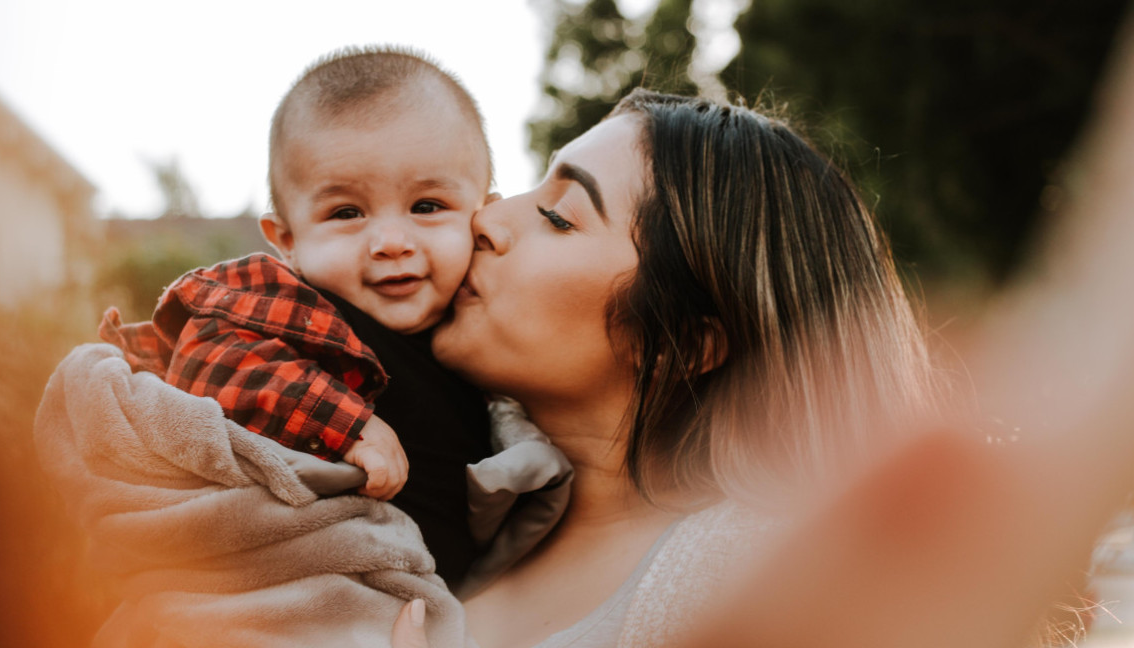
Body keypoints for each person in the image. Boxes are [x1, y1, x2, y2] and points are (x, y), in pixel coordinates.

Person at [388, 86, 937, 647]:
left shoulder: (758, 584)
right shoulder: (438, 503)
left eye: (558, 216)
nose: (488, 216)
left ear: (680, 344)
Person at [96, 45, 497, 591]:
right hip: (292, 594)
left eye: (427, 206)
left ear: (485, 214)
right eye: (346, 213)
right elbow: (211, 357)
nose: (391, 243)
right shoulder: (294, 305)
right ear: (287, 241)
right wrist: (346, 425)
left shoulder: (489, 327)